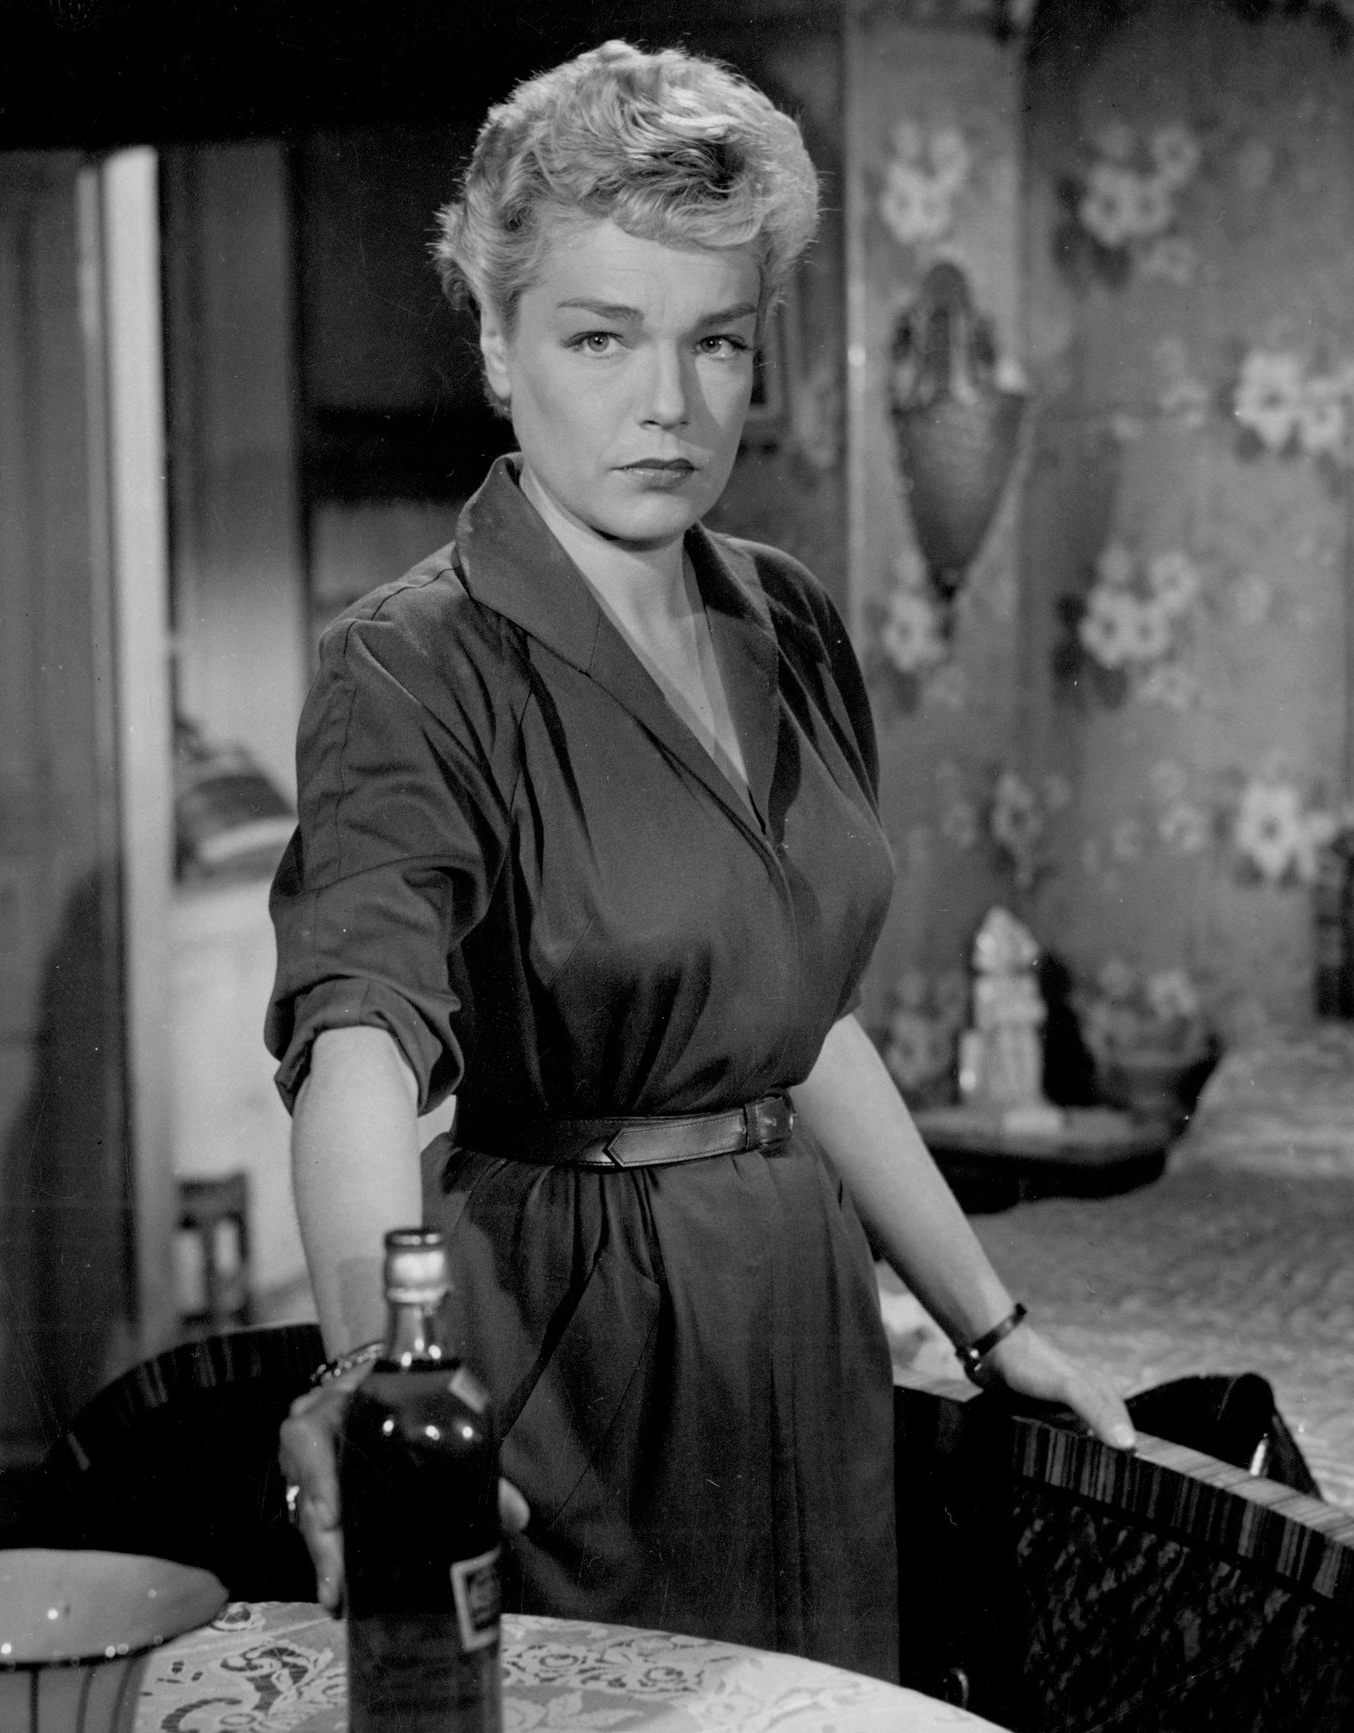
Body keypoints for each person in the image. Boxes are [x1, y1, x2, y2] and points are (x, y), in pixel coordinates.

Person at [268, 39, 1132, 1680]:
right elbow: (359, 1041)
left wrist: (992, 1322)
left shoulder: (788, 617)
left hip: (798, 1309)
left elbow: (796, 1023)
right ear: (499, 345)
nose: (669, 402)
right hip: (573, 1333)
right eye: (601, 336)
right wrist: (381, 1376)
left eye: (716, 340)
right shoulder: (412, 662)